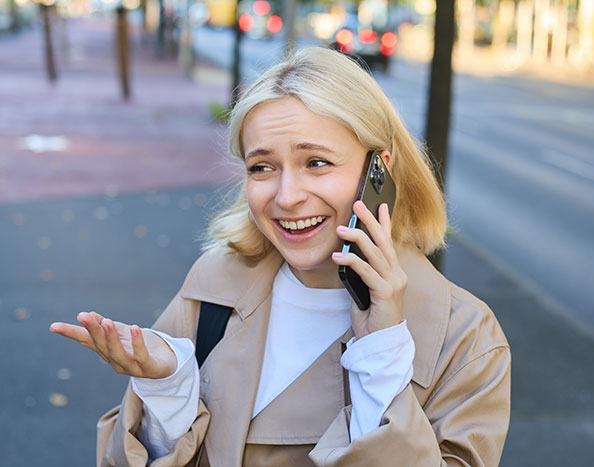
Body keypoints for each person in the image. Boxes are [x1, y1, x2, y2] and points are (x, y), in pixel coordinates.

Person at [50, 46, 510, 466]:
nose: (287, 197)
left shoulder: (466, 340)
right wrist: (169, 390)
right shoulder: (214, 285)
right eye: (262, 167)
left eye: (317, 163)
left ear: (379, 170)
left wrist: (382, 354)